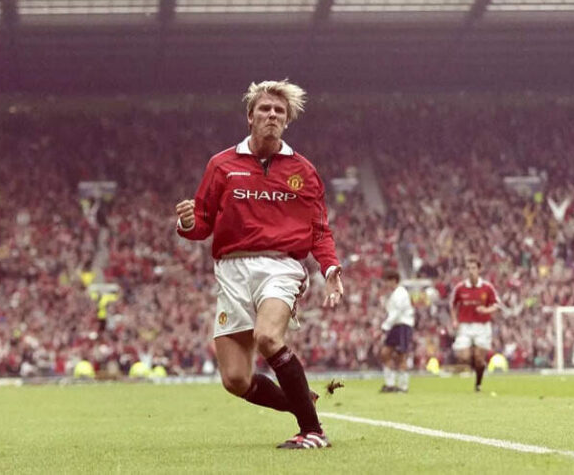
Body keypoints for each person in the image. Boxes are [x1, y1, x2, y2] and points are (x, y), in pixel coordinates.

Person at [174, 80, 344, 450]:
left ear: (287, 121)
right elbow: (202, 224)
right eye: (265, 109)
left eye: (279, 111)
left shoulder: (304, 170)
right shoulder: (222, 165)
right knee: (235, 379)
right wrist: (187, 222)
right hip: (231, 270)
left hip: (280, 266)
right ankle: (302, 402)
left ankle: (313, 431)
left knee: (267, 337)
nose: (272, 115)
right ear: (250, 117)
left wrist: (330, 269)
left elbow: (319, 230)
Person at [450, 257, 500, 392]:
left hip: (482, 326)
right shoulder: (460, 288)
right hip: (465, 326)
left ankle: (478, 384)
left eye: (473, 268)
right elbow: (453, 305)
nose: (470, 271)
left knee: (479, 359)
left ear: (479, 269)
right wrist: (454, 320)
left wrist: (486, 310)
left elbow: (496, 305)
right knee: (463, 356)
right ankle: (473, 354)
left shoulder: (487, 287)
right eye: (468, 268)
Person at [379, 271, 414, 393]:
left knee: (401, 356)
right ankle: (390, 384)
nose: (386, 284)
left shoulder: (401, 293)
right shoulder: (393, 294)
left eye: (387, 281)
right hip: (394, 326)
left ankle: (403, 387)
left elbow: (396, 312)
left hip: (402, 326)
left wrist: (385, 325)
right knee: (385, 353)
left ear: (394, 280)